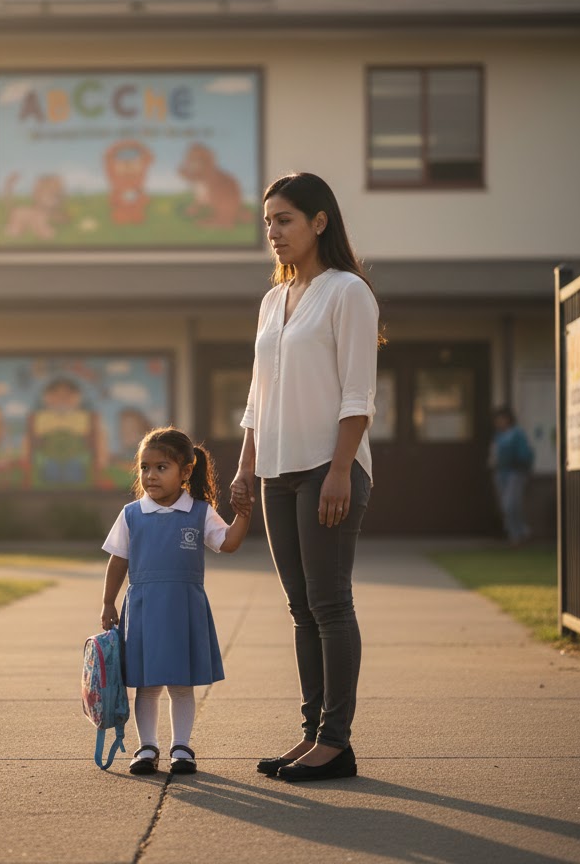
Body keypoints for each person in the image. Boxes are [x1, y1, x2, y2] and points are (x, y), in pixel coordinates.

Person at [229, 171, 380, 783]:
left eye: (285, 220)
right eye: (268, 222)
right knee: (301, 609)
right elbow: (257, 396)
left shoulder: (349, 293)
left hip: (327, 468)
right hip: (276, 473)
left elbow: (359, 395)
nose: (274, 232)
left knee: (329, 603)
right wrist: (244, 466)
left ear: (320, 222)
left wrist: (342, 469)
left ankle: (336, 743)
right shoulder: (273, 300)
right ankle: (312, 733)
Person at [100, 426, 250, 776]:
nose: (150, 475)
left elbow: (228, 543)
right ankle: (146, 748)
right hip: (143, 611)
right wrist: (109, 602)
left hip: (183, 609)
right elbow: (118, 560)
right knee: (146, 685)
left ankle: (181, 747)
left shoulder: (199, 512)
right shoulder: (131, 514)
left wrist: (243, 514)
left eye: (161, 467)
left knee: (181, 683)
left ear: (186, 471)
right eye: (145, 467)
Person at [490, 406, 534, 546]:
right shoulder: (499, 436)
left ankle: (520, 533)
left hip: (515, 472)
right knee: (505, 505)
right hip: (501, 473)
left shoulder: (516, 434)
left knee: (511, 504)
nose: (499, 422)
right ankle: (514, 533)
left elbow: (524, 453)